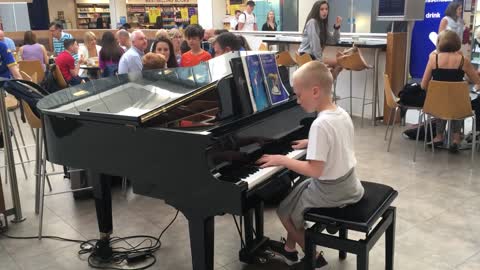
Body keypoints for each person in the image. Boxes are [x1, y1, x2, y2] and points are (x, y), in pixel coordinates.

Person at [256, 61, 364, 268]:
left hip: (333, 191)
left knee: (283, 210)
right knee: (292, 198)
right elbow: (336, 142)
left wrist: (282, 160)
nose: (297, 101)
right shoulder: (340, 113)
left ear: (315, 91)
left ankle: (312, 256)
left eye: (298, 95)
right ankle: (289, 248)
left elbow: (314, 170)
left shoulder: (320, 124)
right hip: (349, 182)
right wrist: (311, 143)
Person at [421, 30, 480, 152]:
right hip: (458, 105)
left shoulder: (433, 59)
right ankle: (456, 138)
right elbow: (477, 81)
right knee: (458, 101)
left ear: (439, 43)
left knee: (441, 101)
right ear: (457, 43)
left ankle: (439, 137)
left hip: (436, 105)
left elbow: (423, 85)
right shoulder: (464, 61)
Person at [298, 1, 341, 66]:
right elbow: (315, 44)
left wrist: (337, 27)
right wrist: (320, 63)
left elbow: (333, 41)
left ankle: (327, 76)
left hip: (313, 56)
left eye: (326, 9)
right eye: (322, 9)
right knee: (337, 63)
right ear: (316, 11)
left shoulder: (322, 24)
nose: (325, 11)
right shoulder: (312, 22)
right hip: (307, 57)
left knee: (339, 64)